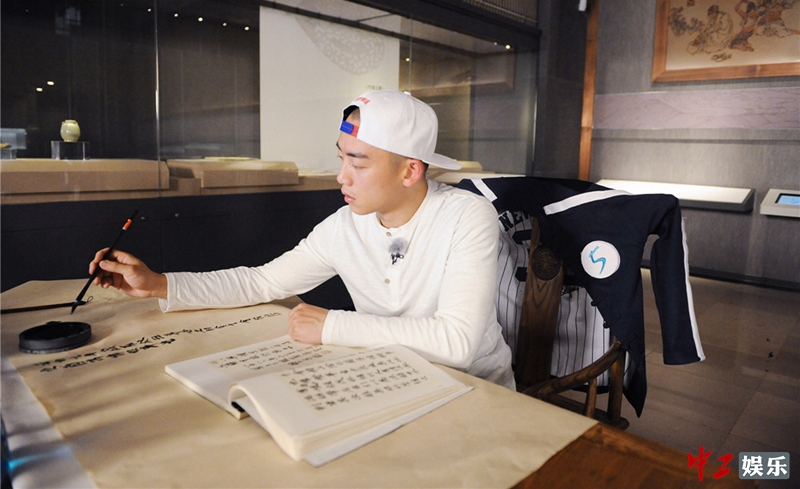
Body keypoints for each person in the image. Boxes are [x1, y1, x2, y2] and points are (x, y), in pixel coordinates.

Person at [89, 90, 515, 389]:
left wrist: (332, 325)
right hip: (394, 378)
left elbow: (457, 344)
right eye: (341, 157)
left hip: (474, 390)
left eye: (358, 163)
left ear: (410, 171)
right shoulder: (345, 225)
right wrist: (159, 284)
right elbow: (261, 281)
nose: (341, 176)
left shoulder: (467, 215)